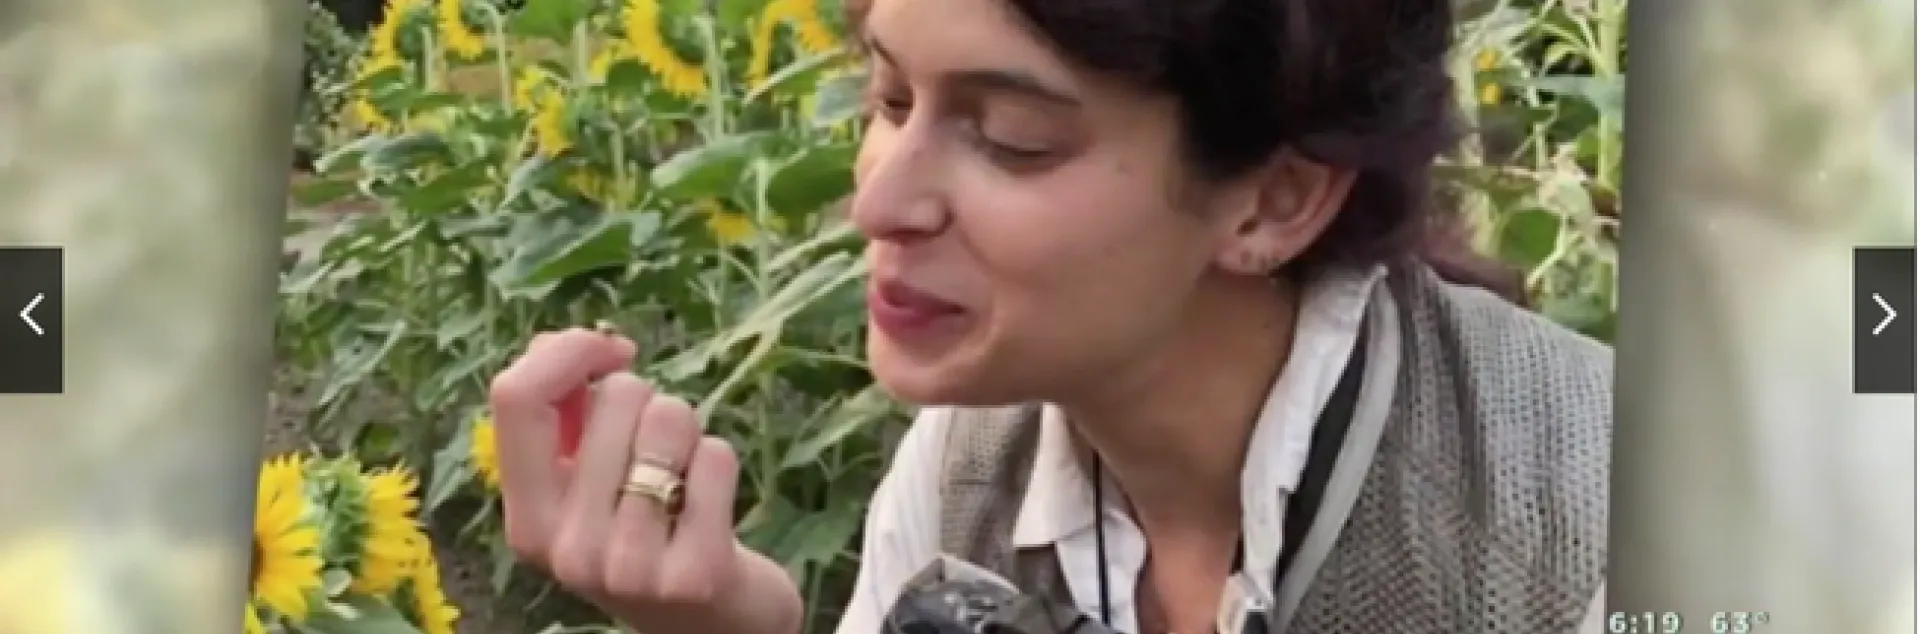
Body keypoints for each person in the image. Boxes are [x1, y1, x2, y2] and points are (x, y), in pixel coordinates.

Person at [483, 0, 1613, 631]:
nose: (877, 197)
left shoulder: (1598, 522)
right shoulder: (966, 474)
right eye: (889, 98)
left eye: (1011, 138)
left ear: (1276, 198)